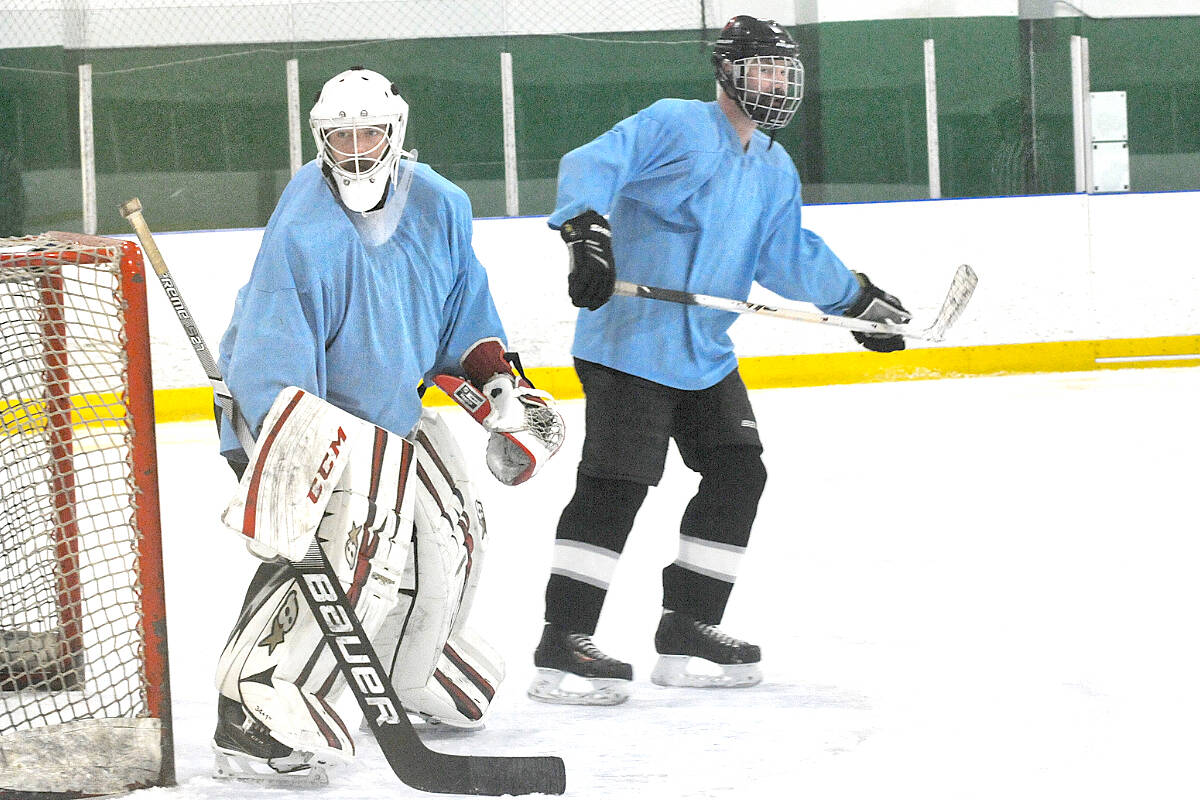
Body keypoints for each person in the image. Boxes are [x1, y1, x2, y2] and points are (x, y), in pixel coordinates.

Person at [527, 16, 911, 706]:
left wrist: (856, 301)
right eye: (763, 68)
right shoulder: (676, 123)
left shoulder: (772, 165)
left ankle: (690, 627)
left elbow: (786, 253)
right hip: (630, 344)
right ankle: (563, 641)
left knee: (739, 473)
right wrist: (585, 231)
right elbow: (591, 163)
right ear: (729, 72)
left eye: (784, 72)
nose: (776, 84)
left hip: (704, 353)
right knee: (618, 485)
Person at [209, 67, 564, 784]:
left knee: (452, 527)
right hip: (290, 410)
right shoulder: (304, 227)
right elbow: (268, 361)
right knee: (360, 528)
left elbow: (460, 316)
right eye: (339, 136)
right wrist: (284, 466)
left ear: (396, 132)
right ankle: (250, 706)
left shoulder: (441, 205)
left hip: (392, 410)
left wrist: (497, 390)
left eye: (369, 133)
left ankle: (409, 664)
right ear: (320, 139)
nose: (356, 149)